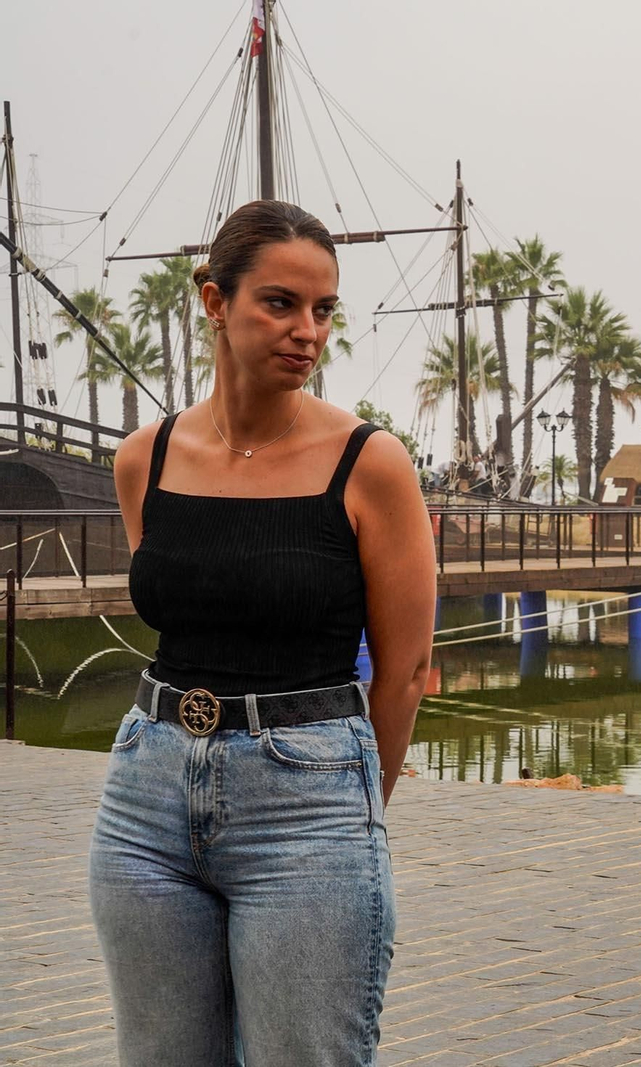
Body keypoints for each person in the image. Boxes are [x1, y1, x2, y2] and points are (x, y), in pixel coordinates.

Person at [91, 199, 437, 1066]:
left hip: (309, 804)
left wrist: (352, 810)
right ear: (214, 301)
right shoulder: (147, 457)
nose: (307, 331)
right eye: (280, 303)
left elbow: (403, 673)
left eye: (324, 310)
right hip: (147, 793)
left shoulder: (370, 462)